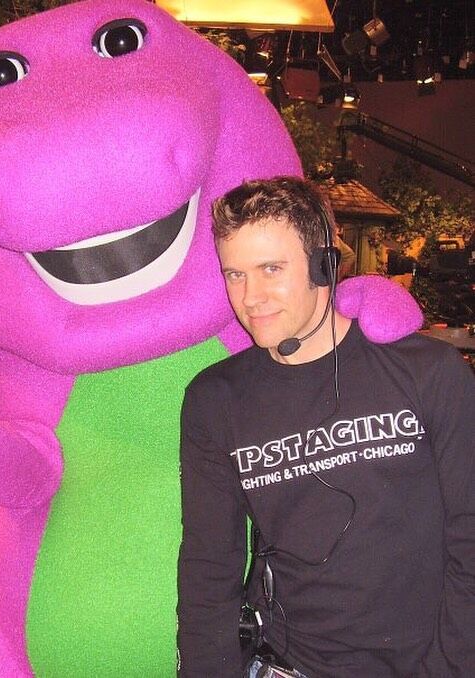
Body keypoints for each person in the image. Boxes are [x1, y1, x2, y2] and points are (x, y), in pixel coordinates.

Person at [177, 177, 475, 677]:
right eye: (235, 274)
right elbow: (209, 566)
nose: (251, 297)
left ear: (324, 266)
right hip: (287, 665)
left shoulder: (429, 374)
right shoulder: (214, 400)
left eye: (271, 269)